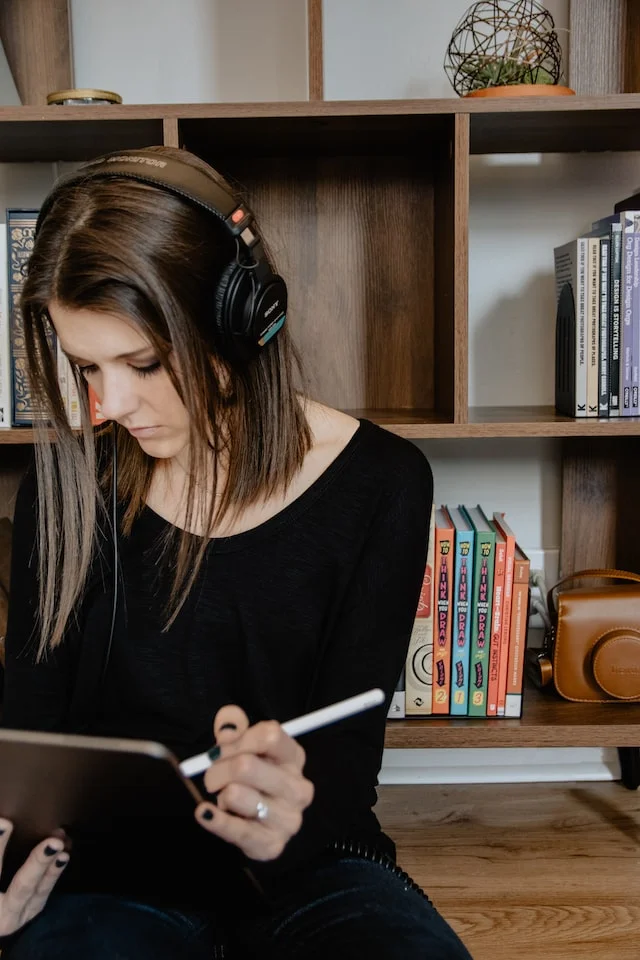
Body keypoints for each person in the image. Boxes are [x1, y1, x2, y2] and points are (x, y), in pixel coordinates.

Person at [0, 145, 473, 959]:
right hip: (108, 876)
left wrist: (290, 810)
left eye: (143, 363)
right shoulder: (68, 486)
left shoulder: (385, 483)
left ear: (238, 319)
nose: (108, 405)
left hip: (308, 868)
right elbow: (30, 737)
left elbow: (348, 764)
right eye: (86, 368)